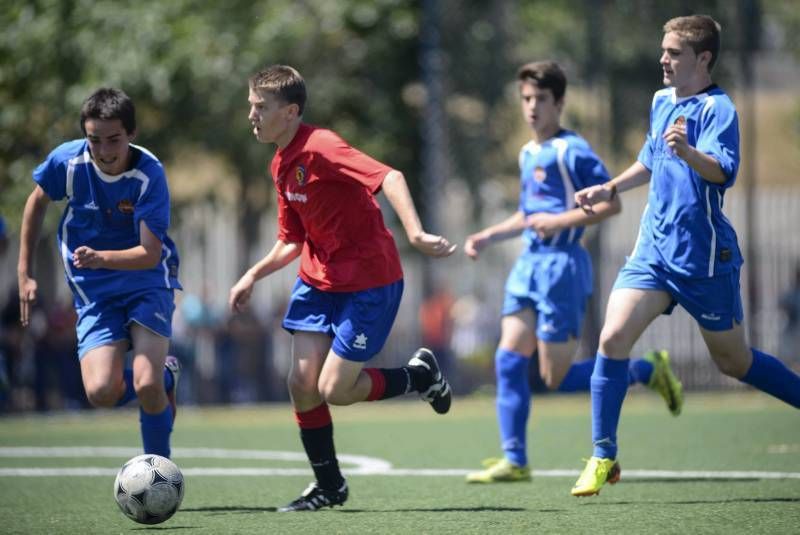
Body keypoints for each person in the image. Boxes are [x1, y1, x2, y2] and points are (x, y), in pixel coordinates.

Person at [571, 15, 800, 497]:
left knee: (733, 363)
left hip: (704, 261)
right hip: (653, 252)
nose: (663, 60)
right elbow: (652, 159)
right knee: (612, 337)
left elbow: (722, 173)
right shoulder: (660, 101)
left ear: (703, 59)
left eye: (674, 53)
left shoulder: (720, 109)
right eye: (663, 51)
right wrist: (609, 185)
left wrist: (691, 152)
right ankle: (603, 454)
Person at [228, 65, 456, 512]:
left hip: (369, 282)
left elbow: (389, 177)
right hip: (318, 281)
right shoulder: (279, 163)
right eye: (250, 106)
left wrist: (415, 233)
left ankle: (419, 376)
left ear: (290, 112)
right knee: (301, 381)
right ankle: (329, 486)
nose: (251, 115)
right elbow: (292, 239)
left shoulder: (324, 146)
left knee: (335, 388)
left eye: (260, 107)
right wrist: (253, 274)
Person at [462, 61, 683, 484]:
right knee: (508, 360)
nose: (531, 108)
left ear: (559, 102)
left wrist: (560, 222)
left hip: (562, 269)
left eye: (540, 99)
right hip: (529, 266)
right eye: (526, 99)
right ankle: (515, 459)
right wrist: (489, 235)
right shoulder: (529, 152)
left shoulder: (573, 150)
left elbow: (610, 204)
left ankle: (646, 369)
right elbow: (529, 214)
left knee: (555, 378)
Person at [17, 88, 181, 457]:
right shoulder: (68, 162)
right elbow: (36, 202)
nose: (104, 151)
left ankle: (159, 472)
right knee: (101, 392)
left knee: (146, 383)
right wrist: (24, 272)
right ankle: (169, 374)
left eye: (114, 140)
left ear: (132, 134)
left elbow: (149, 254)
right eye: (94, 140)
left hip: (146, 281)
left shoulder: (148, 174)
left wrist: (101, 257)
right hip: (94, 290)